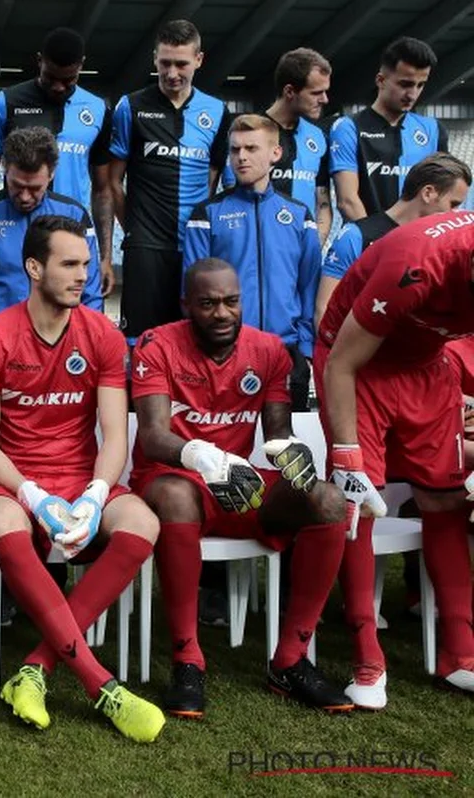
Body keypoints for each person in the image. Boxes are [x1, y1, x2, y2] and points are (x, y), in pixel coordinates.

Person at [0, 214, 163, 742]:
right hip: (13, 480)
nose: (85, 276)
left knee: (142, 522)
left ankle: (35, 667)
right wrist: (32, 495)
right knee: (3, 520)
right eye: (69, 264)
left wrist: (98, 494)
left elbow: (115, 433)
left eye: (85, 263)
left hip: (81, 477)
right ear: (34, 267)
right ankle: (101, 684)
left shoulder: (101, 333)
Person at [132, 259, 351, 718]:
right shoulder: (157, 344)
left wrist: (291, 452)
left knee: (328, 500)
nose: (222, 313)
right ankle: (187, 660)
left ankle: (290, 660)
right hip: (174, 479)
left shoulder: (270, 349)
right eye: (208, 304)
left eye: (231, 302)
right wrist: (201, 456)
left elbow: (275, 432)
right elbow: (152, 435)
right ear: (186, 304)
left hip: (240, 483)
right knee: (174, 495)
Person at [316, 209, 474, 708]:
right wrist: (346, 456)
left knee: (446, 500)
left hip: (428, 362)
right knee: (359, 501)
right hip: (358, 363)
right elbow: (342, 361)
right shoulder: (417, 264)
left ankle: (462, 657)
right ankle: (367, 658)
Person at [0, 126, 103, 406]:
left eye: (35, 188)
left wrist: (90, 349)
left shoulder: (74, 215)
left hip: (61, 356)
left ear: (52, 174)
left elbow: (89, 293)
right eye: (17, 186)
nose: (25, 197)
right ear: (5, 168)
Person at [183, 114, 321, 411]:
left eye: (251, 149)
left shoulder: (299, 216)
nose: (241, 157)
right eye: (235, 150)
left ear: (275, 153)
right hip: (224, 352)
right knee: (225, 450)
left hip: (285, 352)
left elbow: (310, 286)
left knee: (284, 451)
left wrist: (306, 348)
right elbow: (192, 291)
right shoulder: (207, 214)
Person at [108, 19, 229, 340]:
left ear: (199, 60)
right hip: (145, 246)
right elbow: (112, 182)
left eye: (181, 64)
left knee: (193, 337)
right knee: (142, 341)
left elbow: (213, 182)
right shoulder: (130, 107)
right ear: (154, 59)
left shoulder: (216, 112)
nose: (172, 73)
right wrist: (133, 225)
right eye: (165, 63)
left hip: (194, 245)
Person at [0, 27, 114, 295]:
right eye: (50, 77)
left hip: (72, 231)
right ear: (39, 60)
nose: (58, 86)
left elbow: (103, 189)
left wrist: (105, 256)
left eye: (69, 80)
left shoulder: (98, 109)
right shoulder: (6, 103)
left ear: (81, 66)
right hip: (17, 228)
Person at [316, 153, 471, 323]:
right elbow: (324, 310)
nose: (455, 214)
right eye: (453, 204)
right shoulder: (357, 236)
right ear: (428, 193)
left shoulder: (443, 246)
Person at [222, 48, 333, 243]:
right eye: (316, 93)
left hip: (301, 248)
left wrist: (315, 243)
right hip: (255, 247)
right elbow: (232, 195)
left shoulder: (318, 137)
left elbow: (322, 202)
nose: (325, 99)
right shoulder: (248, 133)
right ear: (289, 91)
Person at [330, 37, 447, 221]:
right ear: (381, 80)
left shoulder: (433, 129)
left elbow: (443, 196)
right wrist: (377, 242)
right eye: (405, 84)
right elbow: (347, 200)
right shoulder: (348, 127)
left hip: (418, 244)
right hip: (370, 244)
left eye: (420, 85)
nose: (412, 94)